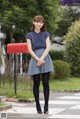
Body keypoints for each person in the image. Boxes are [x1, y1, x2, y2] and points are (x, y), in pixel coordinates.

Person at [25, 15, 53, 114]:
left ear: (43, 24)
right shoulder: (29, 35)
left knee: (46, 83)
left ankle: (46, 106)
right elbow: (29, 48)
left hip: (45, 58)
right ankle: (38, 105)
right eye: (37, 22)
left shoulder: (46, 34)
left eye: (41, 22)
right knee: (36, 83)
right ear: (33, 22)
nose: (39, 24)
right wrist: (37, 59)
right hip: (34, 58)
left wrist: (41, 59)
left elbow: (48, 46)